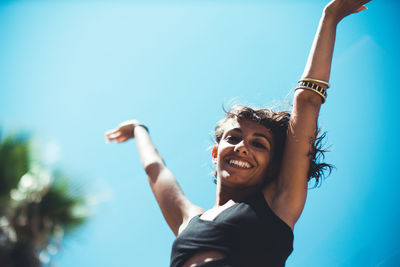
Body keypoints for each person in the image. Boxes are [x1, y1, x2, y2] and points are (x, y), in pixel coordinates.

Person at [105, 0, 371, 266]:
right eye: (233, 138)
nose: (243, 147)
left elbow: (307, 101)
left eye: (259, 144)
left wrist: (330, 15)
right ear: (214, 152)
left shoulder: (280, 202)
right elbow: (156, 170)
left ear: (273, 165)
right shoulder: (188, 220)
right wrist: (139, 129)